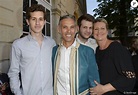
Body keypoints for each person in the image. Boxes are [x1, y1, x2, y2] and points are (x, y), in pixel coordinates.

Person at [8, 4, 56, 95]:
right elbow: (13, 72)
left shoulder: (52, 43)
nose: (37, 23)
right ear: (28, 21)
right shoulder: (18, 45)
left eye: (40, 19)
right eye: (34, 19)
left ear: (45, 21)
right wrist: (18, 93)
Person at [52, 14, 100, 95]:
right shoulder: (55, 51)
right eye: (65, 27)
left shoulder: (88, 52)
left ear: (76, 29)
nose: (68, 31)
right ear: (59, 29)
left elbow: (94, 84)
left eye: (72, 27)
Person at [90, 18, 136, 95]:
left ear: (107, 31)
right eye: (96, 29)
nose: (99, 32)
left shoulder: (116, 48)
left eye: (102, 28)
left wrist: (104, 89)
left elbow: (130, 77)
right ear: (92, 32)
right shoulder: (98, 50)